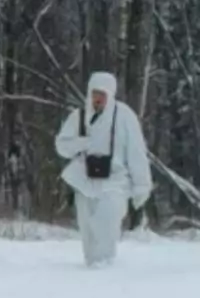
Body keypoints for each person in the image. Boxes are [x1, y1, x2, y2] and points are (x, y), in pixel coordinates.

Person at [54, 71, 152, 267]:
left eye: (102, 94)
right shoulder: (79, 116)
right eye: (94, 93)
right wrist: (82, 143)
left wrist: (142, 185)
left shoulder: (124, 116)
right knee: (87, 227)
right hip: (85, 180)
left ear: (111, 94)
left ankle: (105, 264)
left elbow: (136, 153)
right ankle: (92, 265)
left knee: (106, 221)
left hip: (115, 181)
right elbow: (62, 147)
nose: (97, 99)